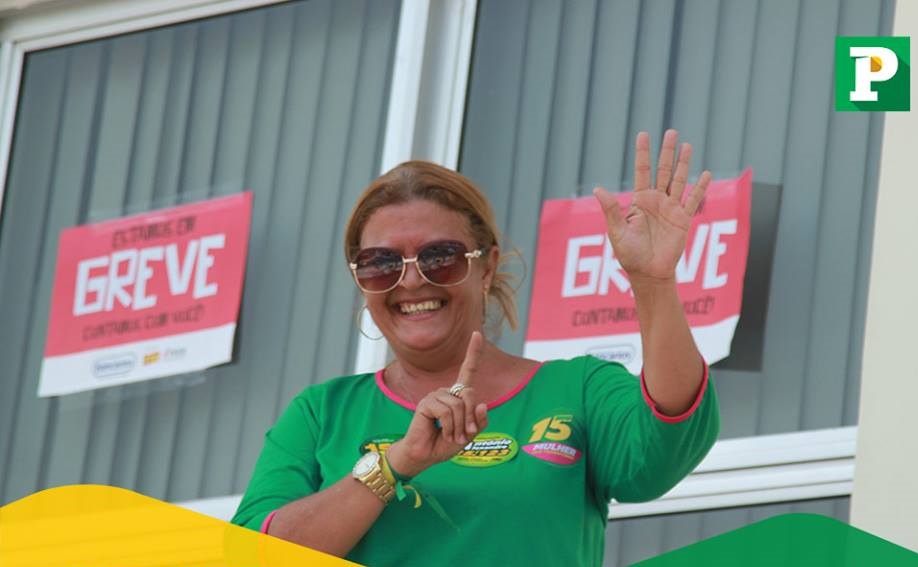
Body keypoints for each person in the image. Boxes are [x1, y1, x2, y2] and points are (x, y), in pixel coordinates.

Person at [231, 130, 720, 567]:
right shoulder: (322, 414)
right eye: (381, 264)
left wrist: (652, 282)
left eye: (439, 257)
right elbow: (252, 556)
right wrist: (394, 464)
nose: (411, 281)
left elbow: (667, 445)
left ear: (486, 267)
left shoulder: (578, 389)